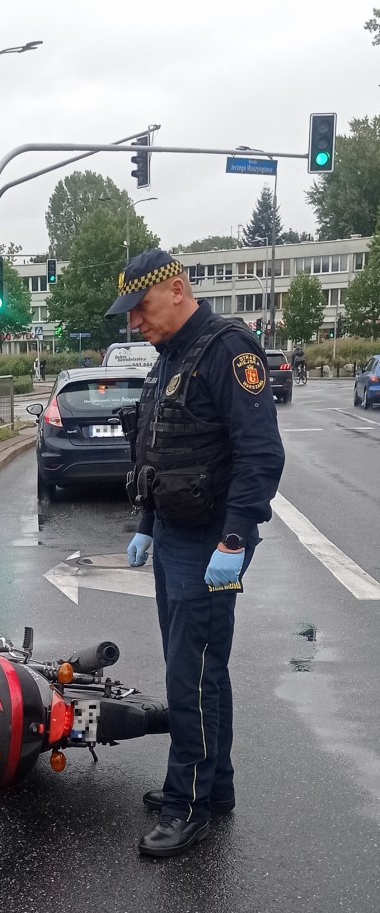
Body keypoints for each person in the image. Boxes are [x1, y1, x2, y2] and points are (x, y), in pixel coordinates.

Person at [106, 249, 285, 858]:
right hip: (177, 534)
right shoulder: (170, 357)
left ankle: (187, 804)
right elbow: (159, 451)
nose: (135, 323)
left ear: (178, 289)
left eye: (142, 308)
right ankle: (216, 786)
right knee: (199, 668)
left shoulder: (227, 351)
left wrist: (235, 538)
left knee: (192, 677)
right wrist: (148, 522)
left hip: (213, 542)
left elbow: (260, 454)